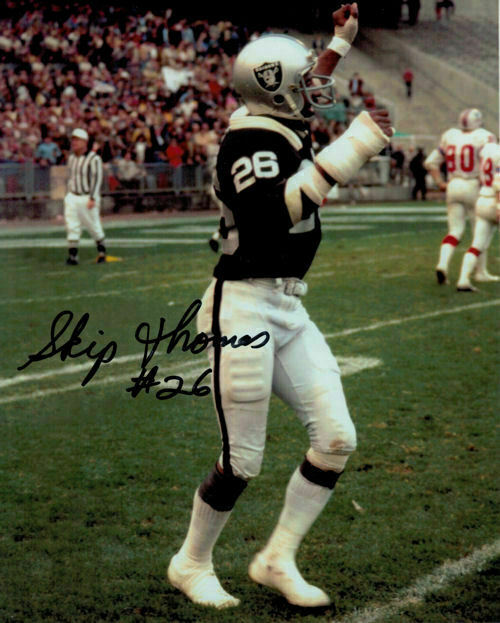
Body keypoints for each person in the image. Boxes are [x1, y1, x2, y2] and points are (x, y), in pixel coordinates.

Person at [167, 3, 394, 610]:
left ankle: (276, 558)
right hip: (242, 305)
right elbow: (271, 217)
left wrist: (340, 43)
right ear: (274, 89)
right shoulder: (248, 140)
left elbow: (301, 96)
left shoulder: (273, 123)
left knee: (336, 438)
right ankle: (190, 563)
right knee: (242, 460)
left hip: (289, 306)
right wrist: (353, 148)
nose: (313, 90)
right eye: (300, 82)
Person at [424, 108, 497, 285]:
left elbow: (430, 162)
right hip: (474, 185)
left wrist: (440, 182)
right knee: (480, 232)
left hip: (453, 184)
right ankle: (480, 272)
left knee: (455, 230)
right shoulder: (484, 136)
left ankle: (442, 264)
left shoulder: (450, 135)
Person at [456, 140, 500, 291]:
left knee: (477, 245)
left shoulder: (488, 151)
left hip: (482, 199)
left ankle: (463, 279)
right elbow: (498, 183)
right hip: (495, 200)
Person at [64, 128, 107, 265]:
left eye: (77, 140)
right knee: (72, 225)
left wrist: (93, 197)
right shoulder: (72, 158)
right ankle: (73, 256)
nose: (74, 143)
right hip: (73, 196)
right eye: (73, 140)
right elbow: (71, 177)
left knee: (93, 225)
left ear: (85, 142)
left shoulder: (94, 159)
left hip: (86, 196)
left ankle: (102, 252)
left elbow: (96, 178)